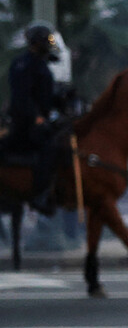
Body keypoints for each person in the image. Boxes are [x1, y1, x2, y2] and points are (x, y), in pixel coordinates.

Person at [4, 22, 66, 215]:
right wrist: (37, 118)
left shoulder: (41, 64)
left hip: (41, 120)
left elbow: (44, 95)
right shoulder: (23, 64)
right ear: (36, 42)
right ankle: (40, 195)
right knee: (49, 148)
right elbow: (22, 97)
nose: (49, 44)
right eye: (46, 40)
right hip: (26, 124)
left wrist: (63, 99)